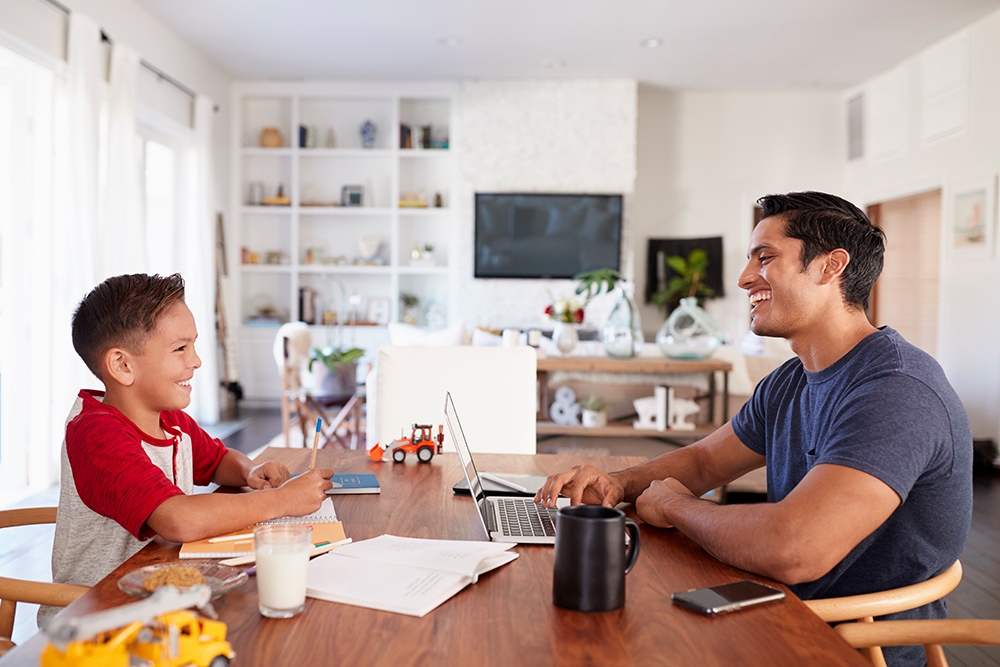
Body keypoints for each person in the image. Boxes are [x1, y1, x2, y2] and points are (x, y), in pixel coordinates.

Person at [536, 191, 971, 666]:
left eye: (765, 258)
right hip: (777, 610)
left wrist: (676, 505)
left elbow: (795, 547)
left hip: (839, 645)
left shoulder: (896, 391)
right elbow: (704, 461)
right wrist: (617, 484)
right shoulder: (791, 379)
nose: (745, 278)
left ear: (831, 267)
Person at [42, 273, 333, 624]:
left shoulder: (171, 420)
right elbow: (177, 519)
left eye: (193, 346)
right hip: (100, 620)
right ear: (122, 365)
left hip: (162, 600)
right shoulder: (95, 435)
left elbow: (217, 460)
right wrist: (283, 500)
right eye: (180, 348)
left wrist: (248, 471)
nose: (196, 361)